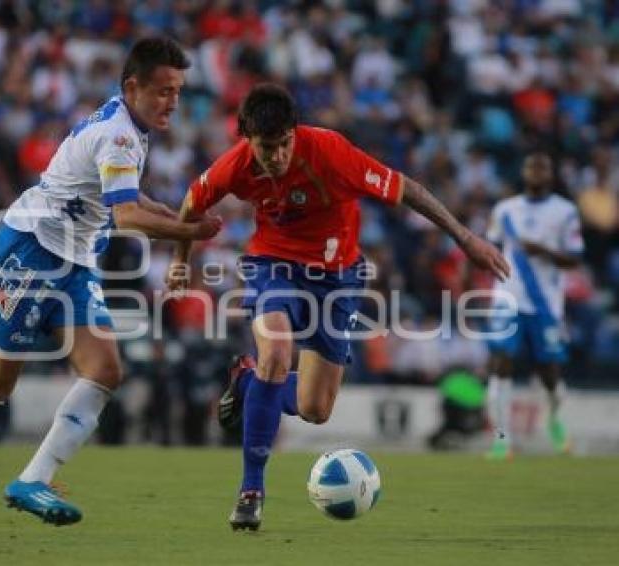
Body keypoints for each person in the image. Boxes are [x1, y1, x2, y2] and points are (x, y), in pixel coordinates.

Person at [0, 37, 222, 526]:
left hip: (72, 262)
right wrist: (189, 230)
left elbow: (130, 200)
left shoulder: (130, 125)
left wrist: (181, 221)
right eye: (163, 91)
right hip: (31, 252)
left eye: (177, 91)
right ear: (131, 87)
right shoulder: (119, 134)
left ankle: (33, 479)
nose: (173, 102)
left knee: (105, 369)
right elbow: (129, 214)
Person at [166, 83, 509, 531]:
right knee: (276, 353)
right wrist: (179, 262)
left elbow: (410, 191)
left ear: (295, 132)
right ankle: (251, 490)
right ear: (247, 138)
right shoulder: (236, 166)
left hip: (337, 278)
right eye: (267, 148)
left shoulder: (330, 152)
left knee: (314, 408)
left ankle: (248, 380)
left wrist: (466, 239)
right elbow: (191, 203)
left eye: (285, 143)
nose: (277, 156)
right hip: (275, 266)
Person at [484, 152, 583, 460]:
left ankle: (554, 419)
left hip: (545, 303)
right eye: (531, 166)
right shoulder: (505, 210)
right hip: (508, 295)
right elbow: (490, 246)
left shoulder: (565, 212)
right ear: (524, 172)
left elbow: (575, 258)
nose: (536, 171)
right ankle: (502, 439)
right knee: (501, 361)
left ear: (551, 174)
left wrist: (544, 250)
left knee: (549, 372)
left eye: (543, 167)